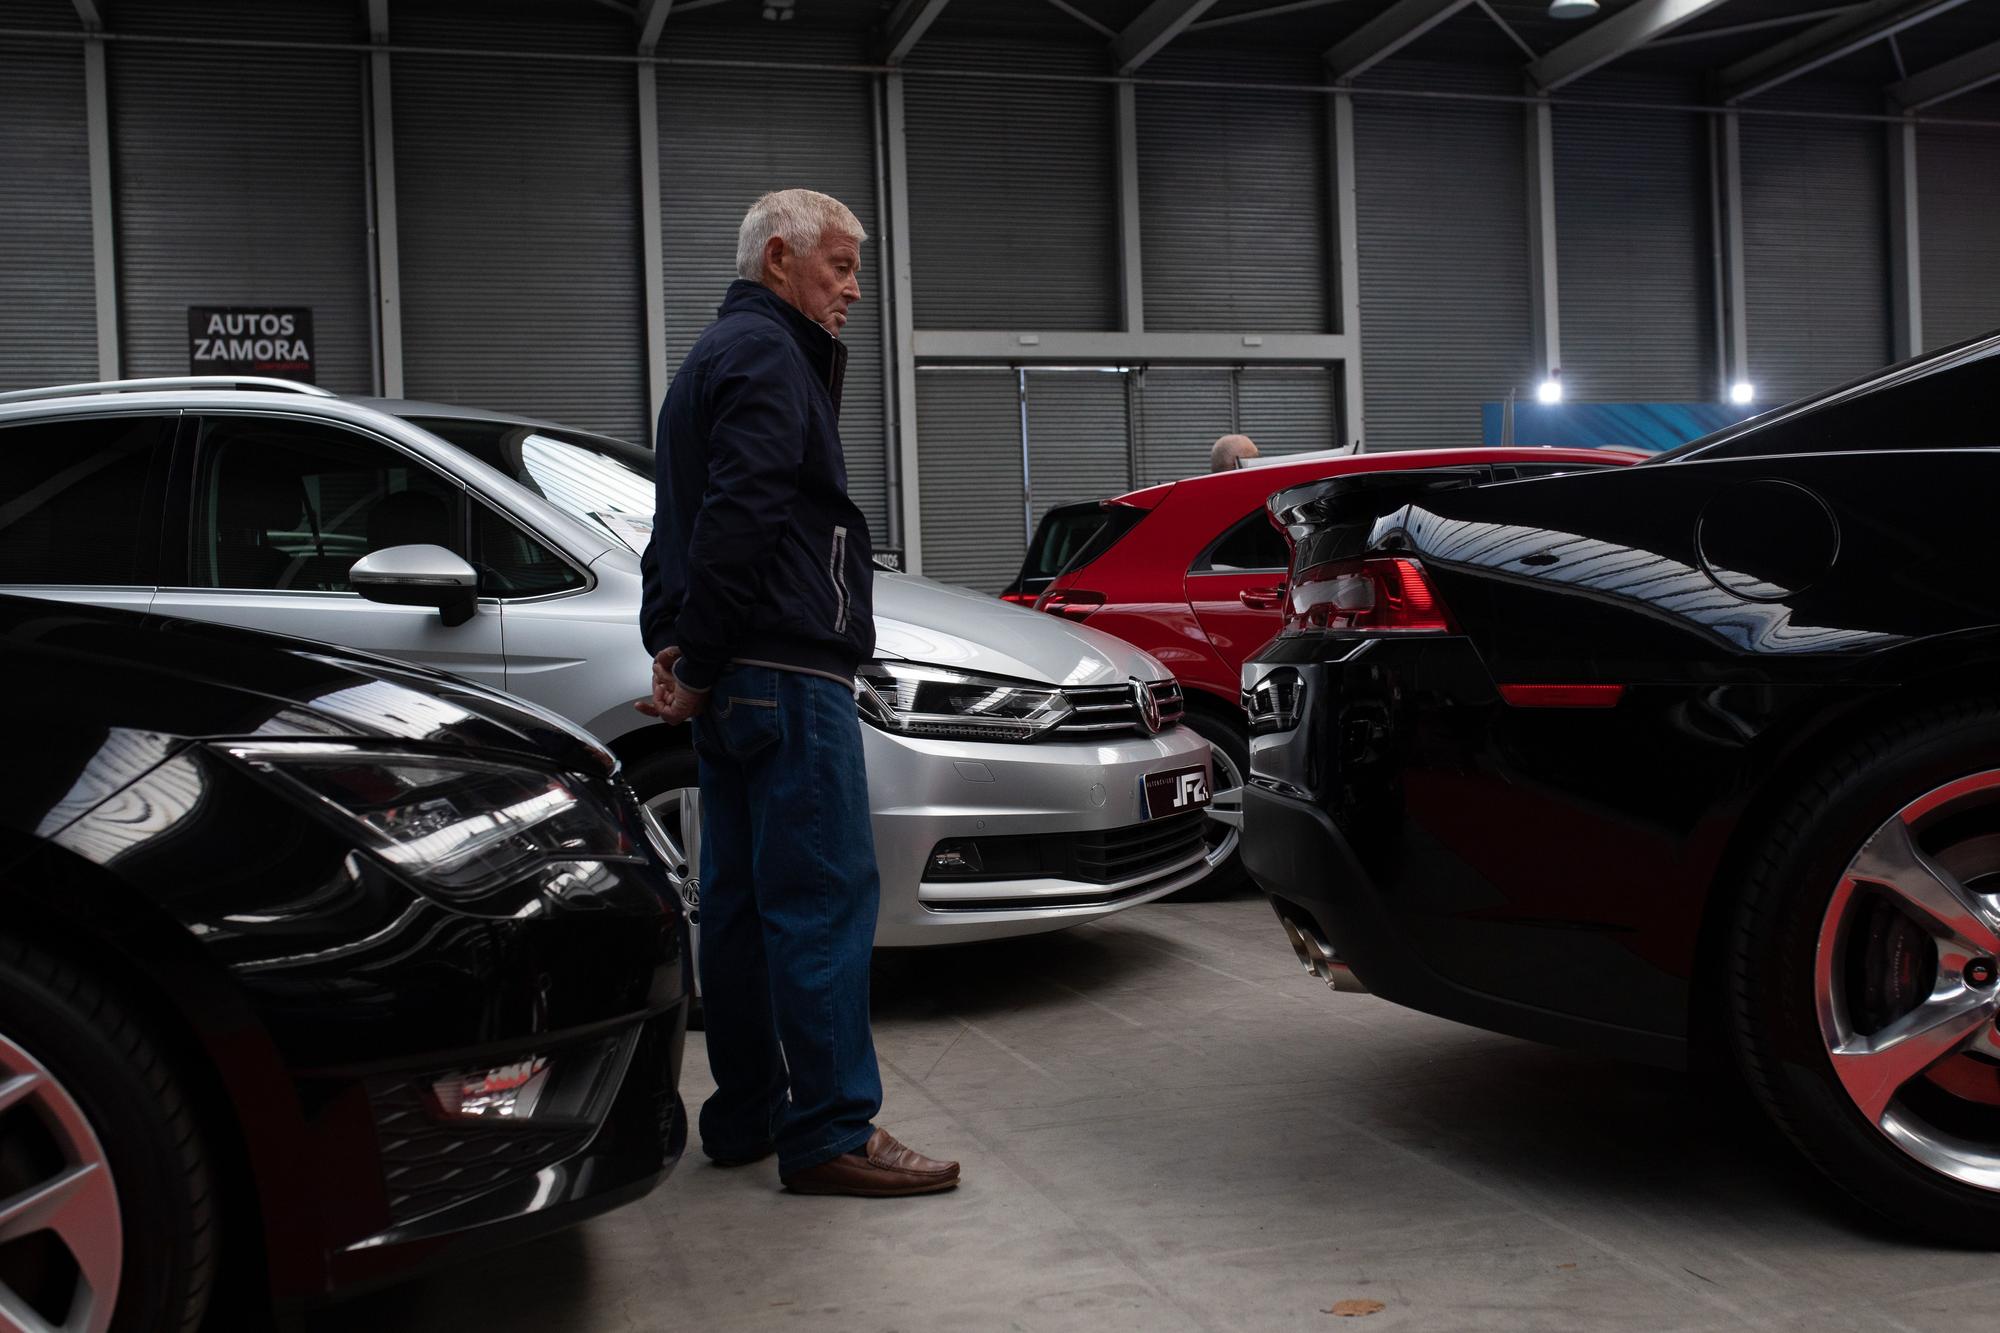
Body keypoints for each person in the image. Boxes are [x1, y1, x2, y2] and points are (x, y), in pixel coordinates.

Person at [636, 189, 959, 1198]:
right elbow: (739, 517)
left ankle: (746, 1116)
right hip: (786, 670)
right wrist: (693, 656)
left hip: (735, 680)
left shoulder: (703, 362)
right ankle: (827, 1129)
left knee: (733, 908)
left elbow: (670, 527)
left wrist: (679, 646)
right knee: (818, 902)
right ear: (780, 259)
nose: (853, 291)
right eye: (840, 269)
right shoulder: (772, 358)